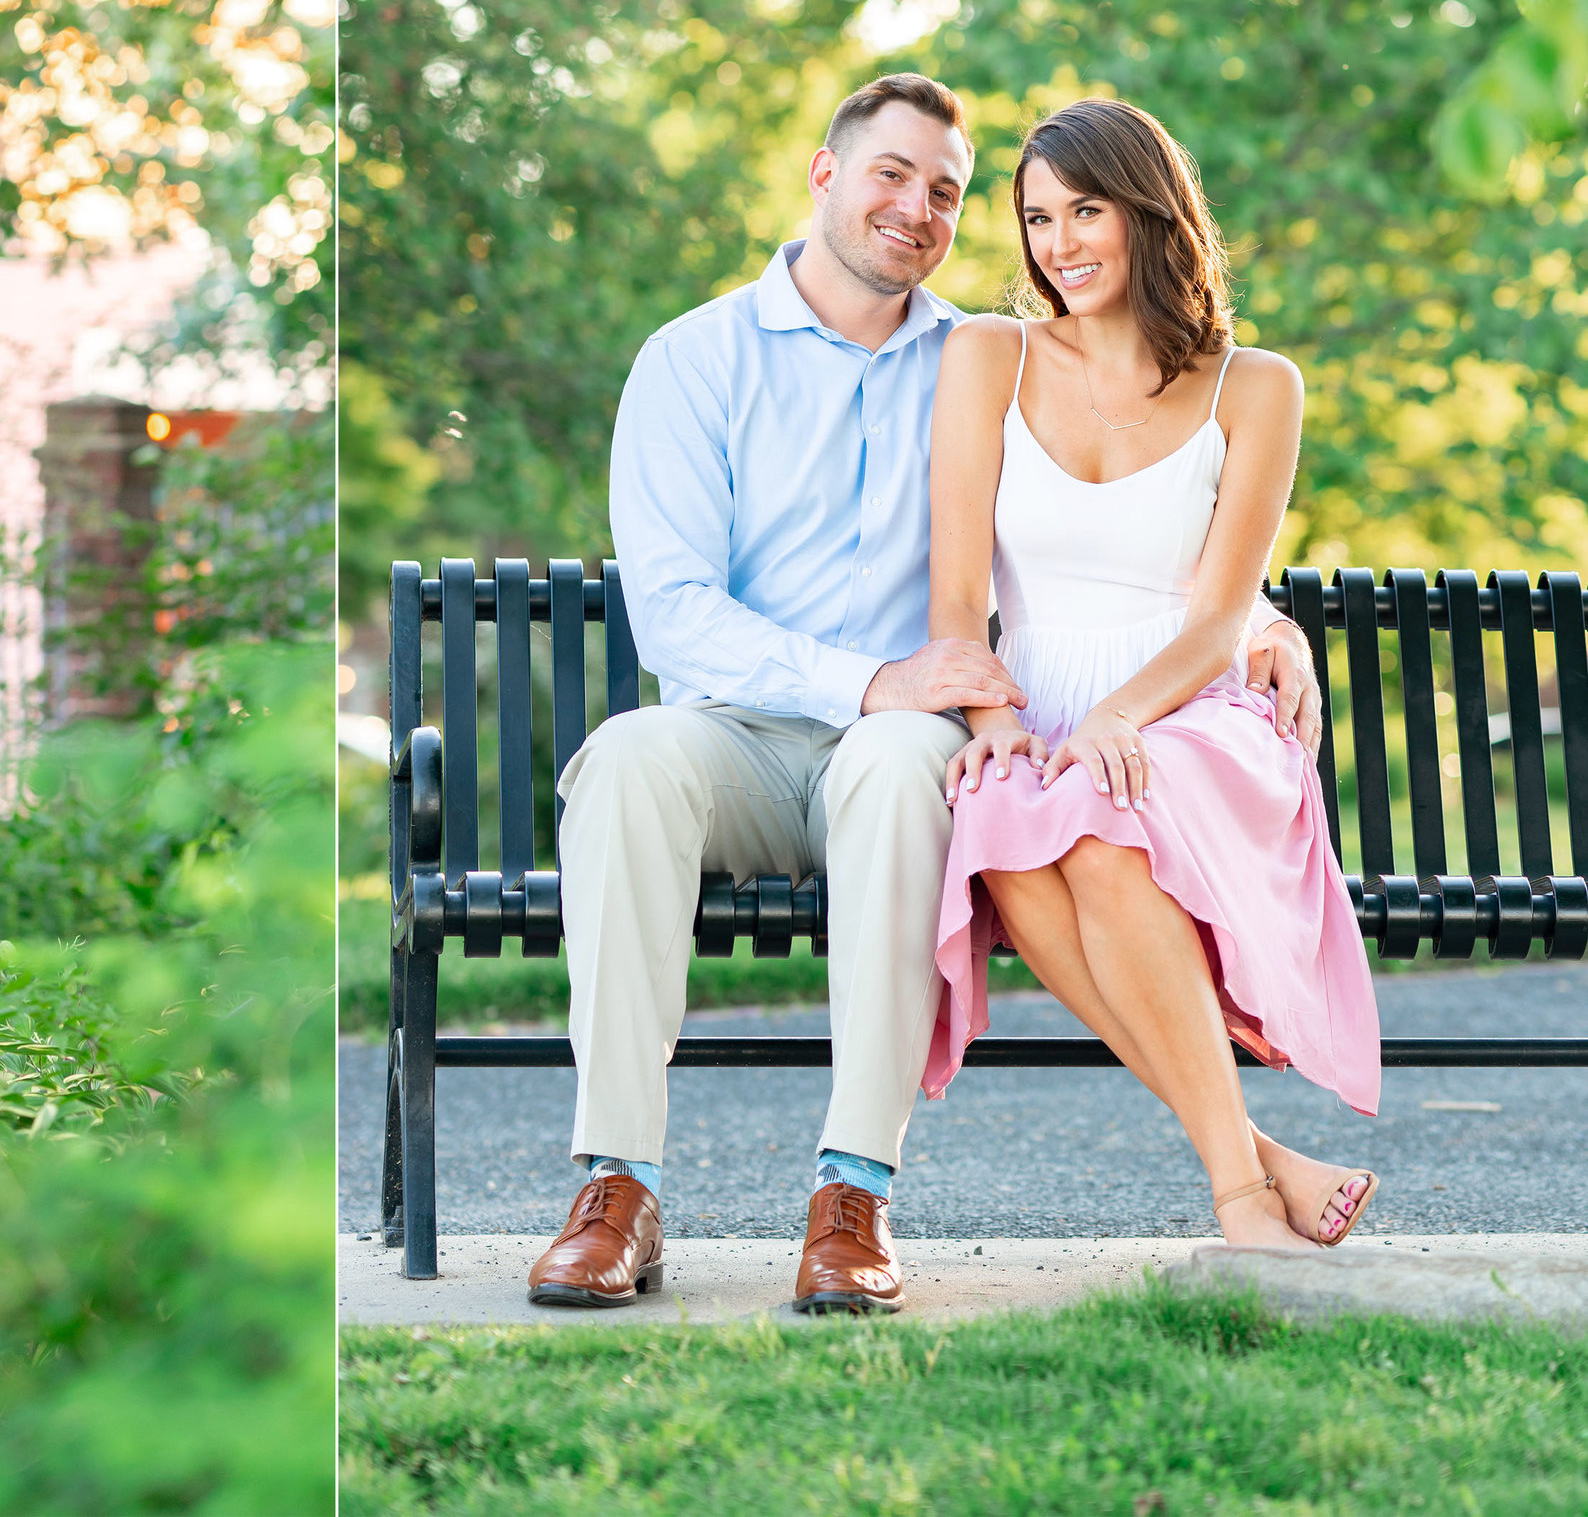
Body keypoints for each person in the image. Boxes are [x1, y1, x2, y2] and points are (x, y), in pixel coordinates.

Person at [523, 74, 1325, 1317]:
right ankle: (614, 1187)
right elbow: (672, 612)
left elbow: (1116, 523)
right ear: (825, 175)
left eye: (945, 193)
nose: (916, 208)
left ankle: (852, 1197)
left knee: (908, 772)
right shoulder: (691, 361)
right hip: (730, 737)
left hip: (899, 744)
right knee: (626, 760)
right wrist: (871, 677)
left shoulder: (982, 360)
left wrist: (1262, 619)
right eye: (892, 174)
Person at [925, 97, 1379, 1250]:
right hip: (1034, 705)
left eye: (1087, 211)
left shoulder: (1254, 385)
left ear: (1150, 214)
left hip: (1192, 710)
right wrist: (989, 719)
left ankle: (1236, 1203)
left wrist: (1116, 720)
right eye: (1036, 218)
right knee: (1002, 815)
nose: (1059, 243)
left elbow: (1223, 613)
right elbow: (953, 591)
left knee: (1097, 820)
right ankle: (1258, 1160)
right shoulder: (988, 354)